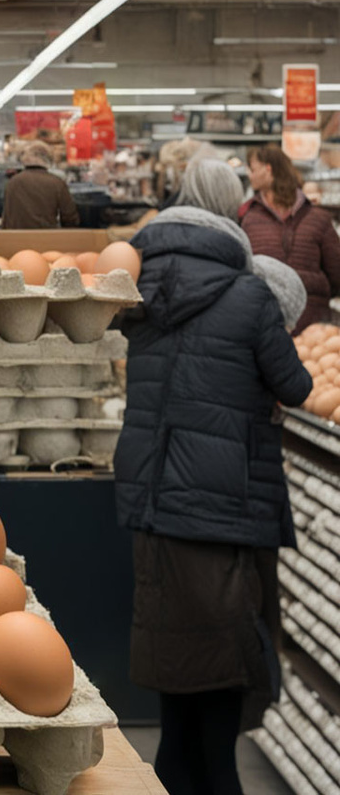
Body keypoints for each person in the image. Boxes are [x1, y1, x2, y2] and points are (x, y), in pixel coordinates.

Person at [114, 158, 312, 795]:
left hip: (154, 505)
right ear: (234, 212)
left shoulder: (139, 287)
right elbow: (298, 386)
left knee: (177, 715)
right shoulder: (251, 294)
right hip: (222, 512)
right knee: (221, 715)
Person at [241, 145, 340, 333]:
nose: (249, 174)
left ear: (268, 169)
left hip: (310, 327)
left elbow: (337, 274)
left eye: (253, 169)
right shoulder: (249, 218)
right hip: (268, 322)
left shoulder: (317, 218)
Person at [2, 141, 79, 229]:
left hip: (16, 238)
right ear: (47, 159)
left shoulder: (13, 182)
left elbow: (7, 217)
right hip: (47, 238)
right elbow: (69, 217)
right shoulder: (56, 183)